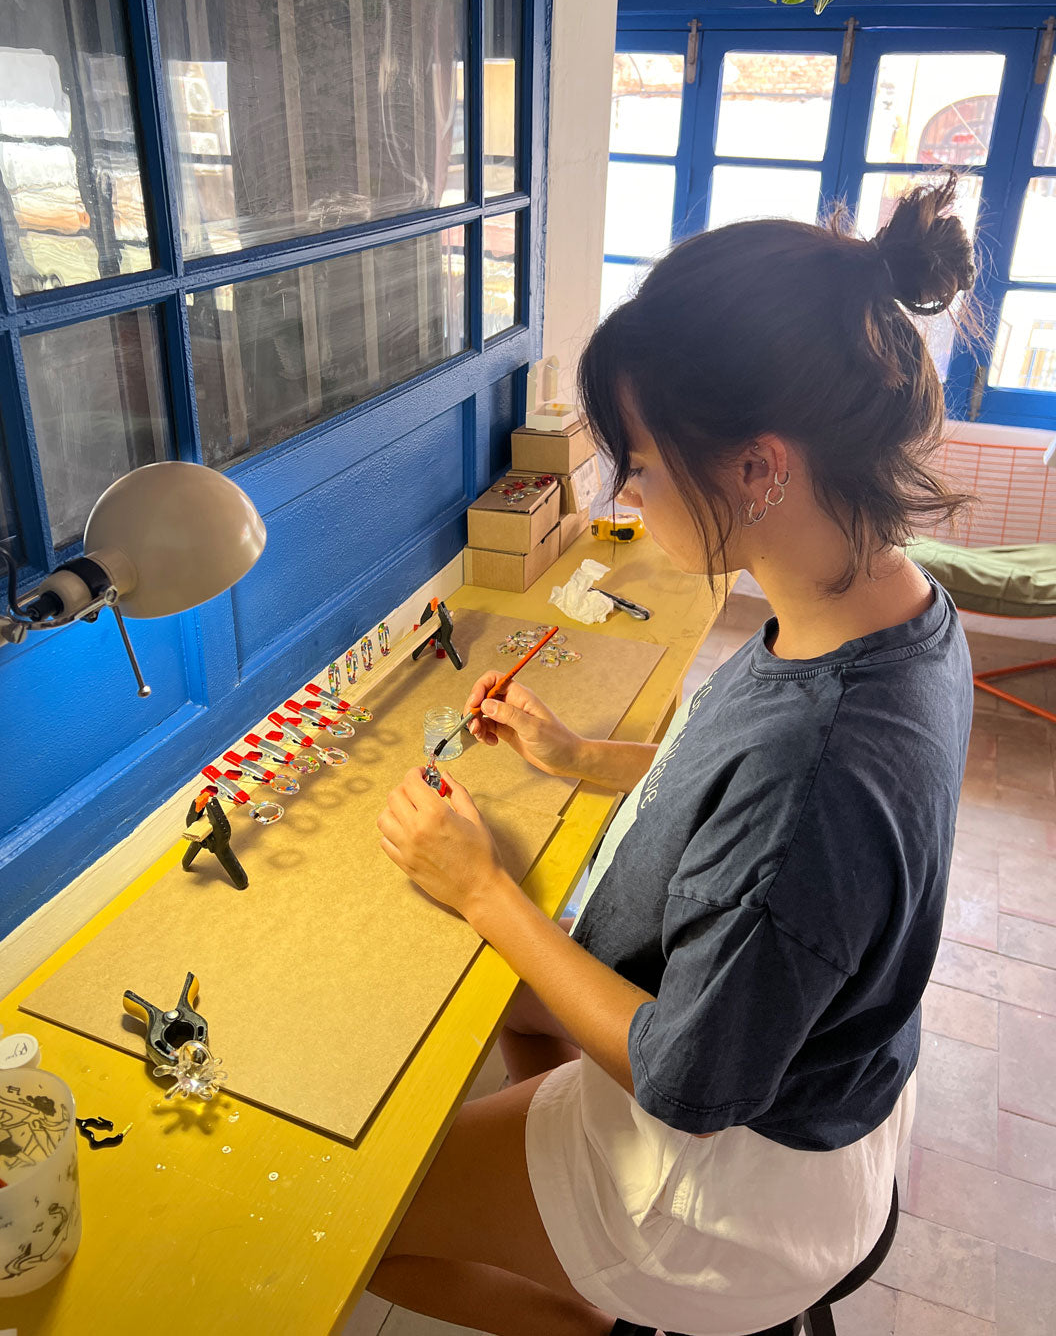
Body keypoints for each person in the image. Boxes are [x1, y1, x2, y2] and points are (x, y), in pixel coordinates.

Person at [369, 176, 976, 1336]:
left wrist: (481, 888)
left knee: (369, 1223)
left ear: (758, 468)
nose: (629, 499)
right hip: (826, 1098)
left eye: (638, 467)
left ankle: (613, 1322)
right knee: (528, 1014)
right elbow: (732, 789)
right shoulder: (881, 610)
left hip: (733, 1186)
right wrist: (578, 752)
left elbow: (687, 1083)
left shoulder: (823, 765)